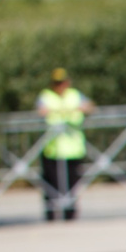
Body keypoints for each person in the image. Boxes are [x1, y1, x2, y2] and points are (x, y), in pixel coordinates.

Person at [36, 70, 94, 222]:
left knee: (73, 185)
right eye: (57, 83)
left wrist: (67, 110)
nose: (60, 86)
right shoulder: (46, 96)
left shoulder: (75, 95)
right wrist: (66, 110)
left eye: (62, 82)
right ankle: (51, 215)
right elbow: (40, 111)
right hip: (53, 149)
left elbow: (90, 107)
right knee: (51, 185)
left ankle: (70, 215)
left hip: (73, 149)